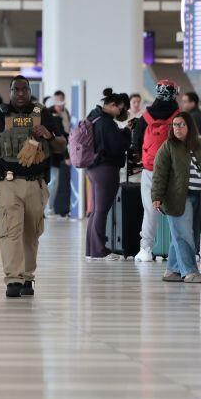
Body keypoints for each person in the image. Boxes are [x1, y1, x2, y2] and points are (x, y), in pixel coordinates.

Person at [0, 75, 67, 298]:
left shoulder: (43, 115)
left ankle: (27, 277)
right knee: (11, 231)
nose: (20, 94)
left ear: (30, 91)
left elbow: (61, 147)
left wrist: (49, 135)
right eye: (16, 90)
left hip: (36, 184)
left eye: (24, 89)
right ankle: (13, 279)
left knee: (31, 234)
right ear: (10, 92)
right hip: (8, 183)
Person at [132, 79, 180, 262]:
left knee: (150, 209)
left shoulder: (146, 116)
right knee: (177, 209)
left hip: (150, 169)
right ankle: (177, 248)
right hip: (174, 169)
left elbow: (136, 142)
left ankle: (146, 249)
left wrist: (141, 155)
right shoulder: (179, 115)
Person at [152, 111, 201, 283]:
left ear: (190, 127)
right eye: (175, 125)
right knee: (184, 235)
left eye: (182, 125)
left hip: (197, 196)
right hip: (177, 197)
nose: (178, 128)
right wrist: (156, 196)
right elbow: (159, 174)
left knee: (188, 235)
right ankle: (190, 272)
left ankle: (172, 271)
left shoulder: (197, 144)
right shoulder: (168, 146)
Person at [84, 91, 132, 260]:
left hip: (93, 167)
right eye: (121, 109)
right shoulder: (106, 122)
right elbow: (118, 146)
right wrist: (126, 132)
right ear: (112, 105)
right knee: (102, 210)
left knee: (96, 210)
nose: (121, 112)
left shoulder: (94, 116)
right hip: (105, 169)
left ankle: (91, 250)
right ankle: (99, 250)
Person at [45, 91, 71, 217]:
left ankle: (48, 208)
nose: (61, 107)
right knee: (52, 181)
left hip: (49, 156)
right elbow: (61, 138)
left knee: (51, 181)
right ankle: (48, 208)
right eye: (59, 105)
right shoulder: (54, 120)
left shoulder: (51, 119)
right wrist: (66, 155)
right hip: (53, 156)